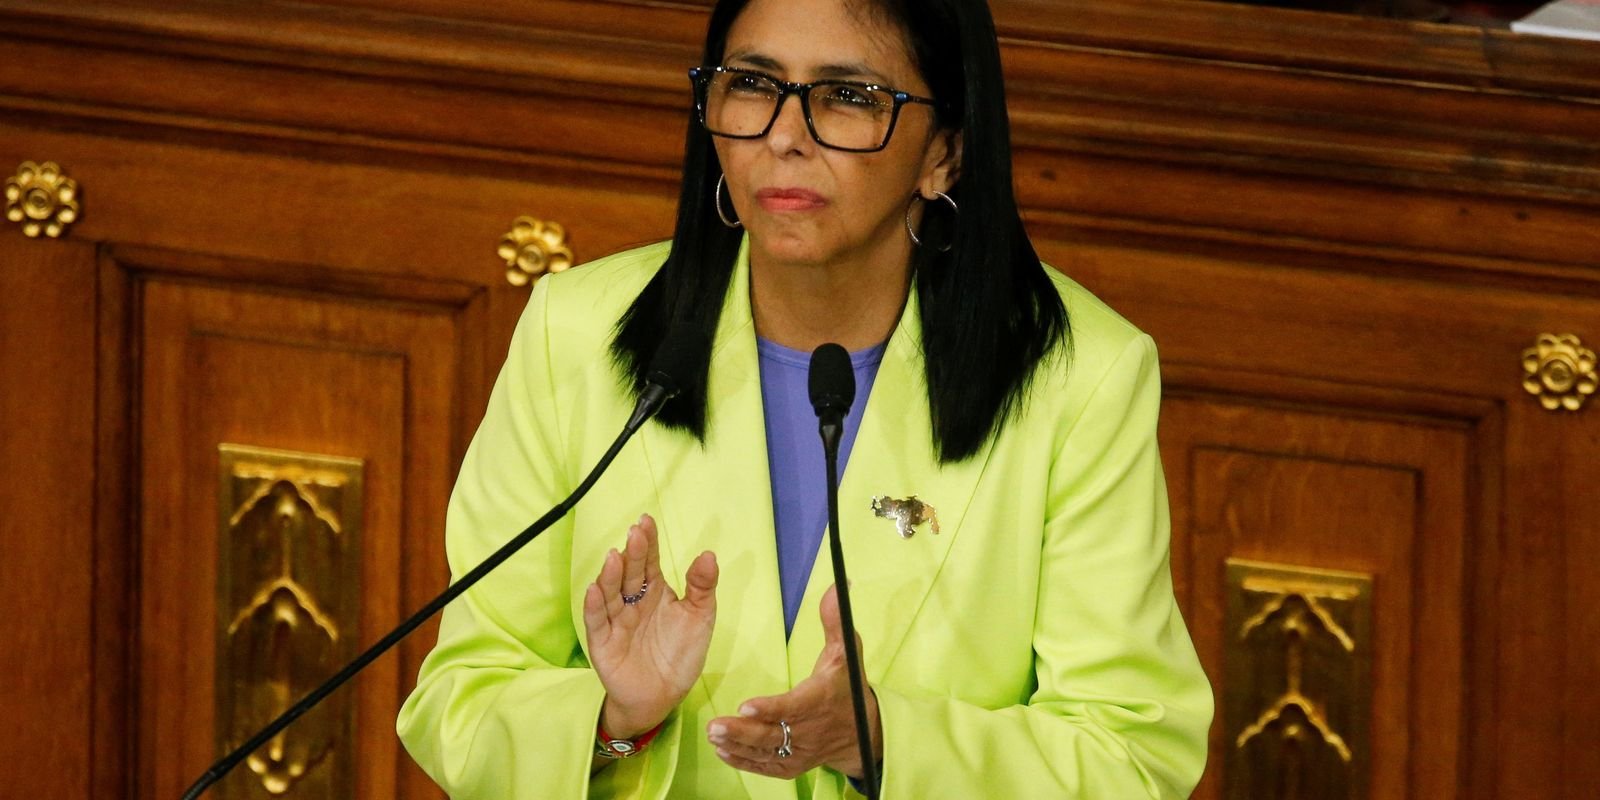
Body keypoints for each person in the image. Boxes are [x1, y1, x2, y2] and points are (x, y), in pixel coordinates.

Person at [396, 0, 1213, 796]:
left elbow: (1131, 755)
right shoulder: (575, 335)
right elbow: (461, 698)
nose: (784, 136)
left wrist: (882, 744)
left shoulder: (1081, 378)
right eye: (752, 85)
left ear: (945, 153)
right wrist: (617, 723)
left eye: (848, 96)